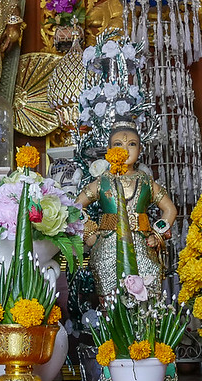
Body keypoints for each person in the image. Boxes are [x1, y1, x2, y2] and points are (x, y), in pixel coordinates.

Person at [76, 122, 177, 301]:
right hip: (108, 246)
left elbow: (169, 209)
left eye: (132, 144)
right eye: (118, 144)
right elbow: (75, 207)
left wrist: (158, 235)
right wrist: (89, 232)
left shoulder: (146, 182)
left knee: (147, 297)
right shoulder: (102, 182)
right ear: (109, 150)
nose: (126, 149)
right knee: (110, 301)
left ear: (140, 149)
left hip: (142, 245)